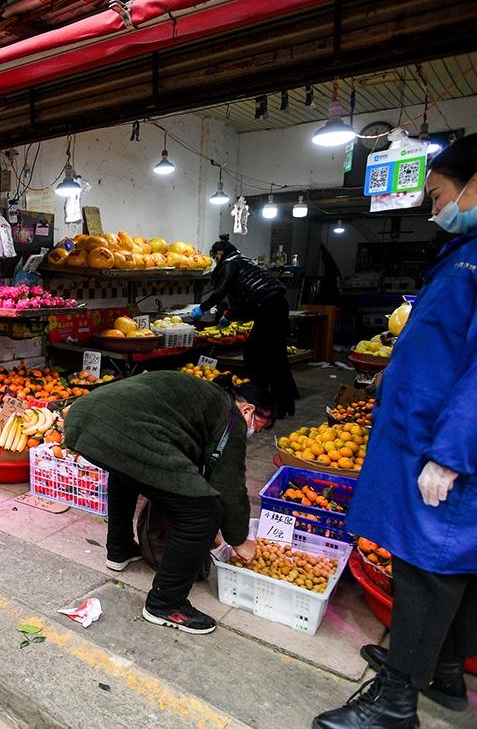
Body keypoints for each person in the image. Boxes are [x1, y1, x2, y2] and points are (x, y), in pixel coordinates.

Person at [313, 134, 477, 729]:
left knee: (426, 568)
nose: (433, 209)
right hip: (425, 433)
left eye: (436, 195)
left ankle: (394, 704)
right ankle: (446, 671)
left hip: (447, 448)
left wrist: (454, 452)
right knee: (452, 566)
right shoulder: (466, 250)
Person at [63, 371, 274, 635]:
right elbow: (230, 485)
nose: (251, 432)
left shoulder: (204, 395)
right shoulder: (231, 416)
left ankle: (120, 549)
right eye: (257, 425)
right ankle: (166, 603)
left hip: (84, 415)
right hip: (116, 424)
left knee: (127, 471)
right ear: (248, 409)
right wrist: (240, 539)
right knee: (204, 512)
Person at [195, 235, 298, 418]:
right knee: (276, 357)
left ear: (219, 253)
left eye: (214, 257)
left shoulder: (230, 263)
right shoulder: (243, 261)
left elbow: (222, 291)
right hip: (277, 305)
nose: (214, 261)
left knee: (256, 357)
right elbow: (250, 297)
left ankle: (262, 403)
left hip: (269, 308)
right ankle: (283, 404)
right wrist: (232, 315)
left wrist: (202, 309)